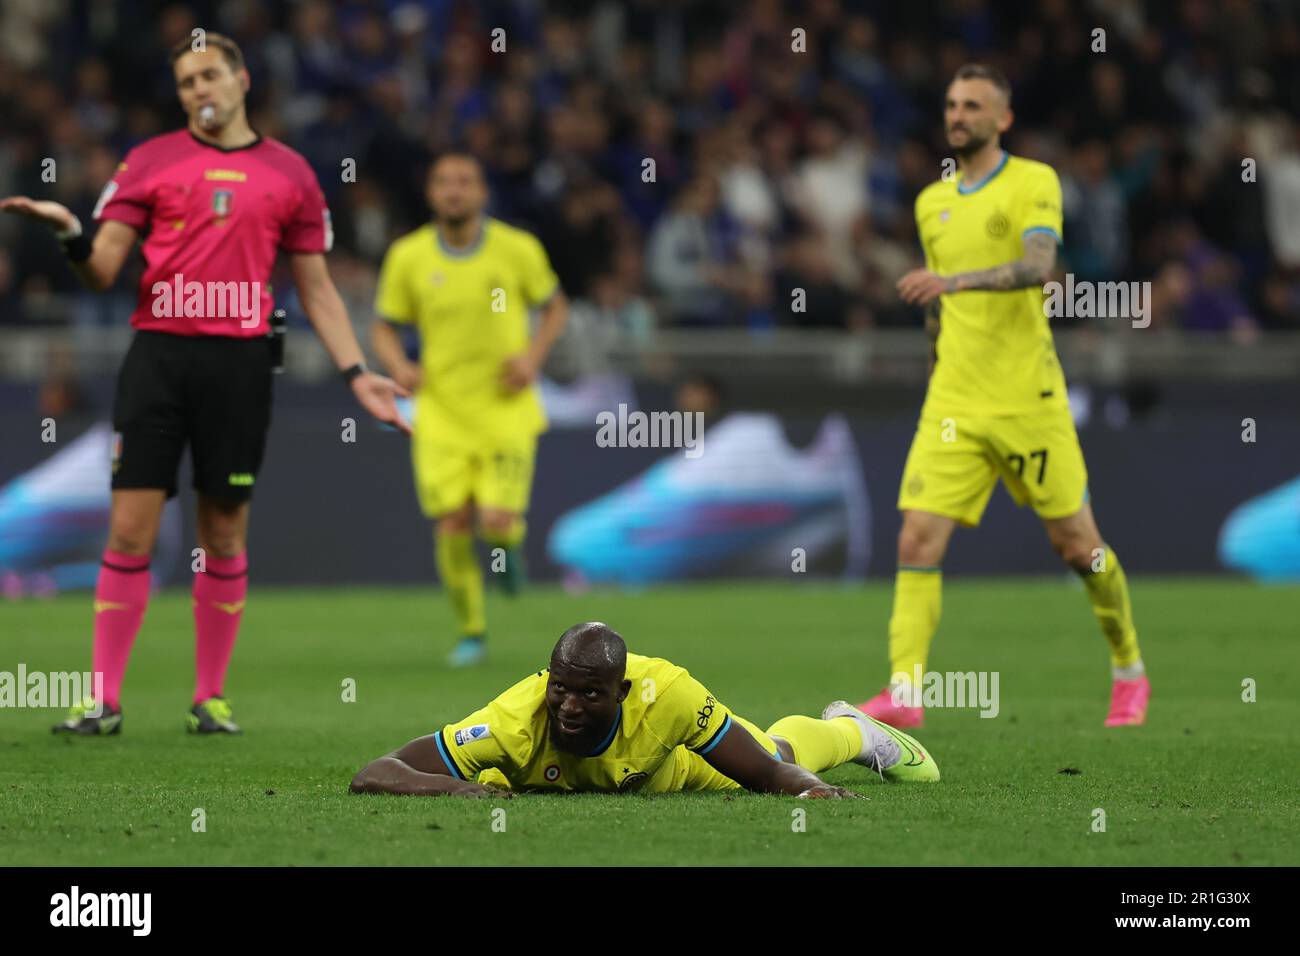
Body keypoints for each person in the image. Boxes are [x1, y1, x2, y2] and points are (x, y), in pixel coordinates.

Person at [1, 33, 409, 735]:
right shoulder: (148, 162)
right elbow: (100, 270)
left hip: (242, 365)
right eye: (187, 81)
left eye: (210, 75)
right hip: (158, 358)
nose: (199, 89)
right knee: (129, 529)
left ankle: (209, 697)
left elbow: (317, 289)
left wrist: (356, 373)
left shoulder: (292, 175)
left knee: (223, 532)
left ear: (242, 79)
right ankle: (103, 700)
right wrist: (72, 234)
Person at [861, 64, 1149, 729]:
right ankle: (905, 692)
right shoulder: (930, 202)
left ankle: (1129, 667)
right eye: (952, 104)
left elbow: (1037, 267)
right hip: (955, 399)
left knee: (1080, 547)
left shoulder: (1033, 180)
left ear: (1003, 119)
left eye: (972, 106)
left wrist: (952, 286)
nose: (957, 115)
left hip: (1027, 398)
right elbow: (936, 304)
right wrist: (936, 352)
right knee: (917, 537)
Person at [350, 621, 938, 797]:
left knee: (777, 750)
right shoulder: (513, 721)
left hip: (676, 771)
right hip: (588, 773)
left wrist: (813, 790)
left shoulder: (666, 695)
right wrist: (455, 791)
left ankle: (851, 733)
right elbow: (375, 772)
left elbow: (766, 773)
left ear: (622, 693)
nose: (569, 706)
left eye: (589, 693)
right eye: (560, 688)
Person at [370, 153, 568, 668]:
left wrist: (531, 358)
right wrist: (399, 366)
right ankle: (472, 631)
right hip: (440, 411)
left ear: (482, 192)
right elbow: (384, 325)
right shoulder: (409, 256)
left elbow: (555, 306)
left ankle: (508, 557)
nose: (454, 191)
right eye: (443, 182)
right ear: (431, 193)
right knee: (453, 522)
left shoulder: (517, 249)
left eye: (464, 182)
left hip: (505, 408)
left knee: (497, 521)